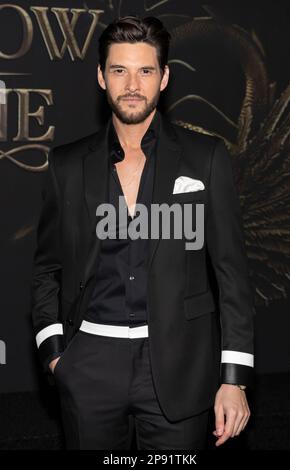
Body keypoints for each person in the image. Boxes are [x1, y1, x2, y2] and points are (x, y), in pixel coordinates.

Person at [31, 15, 255, 450]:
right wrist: (56, 354)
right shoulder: (66, 165)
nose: (132, 84)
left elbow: (232, 274)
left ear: (164, 77)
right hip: (89, 365)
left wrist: (234, 379)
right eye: (119, 70)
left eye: (145, 70)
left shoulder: (205, 158)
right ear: (101, 77)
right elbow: (46, 269)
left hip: (180, 365)